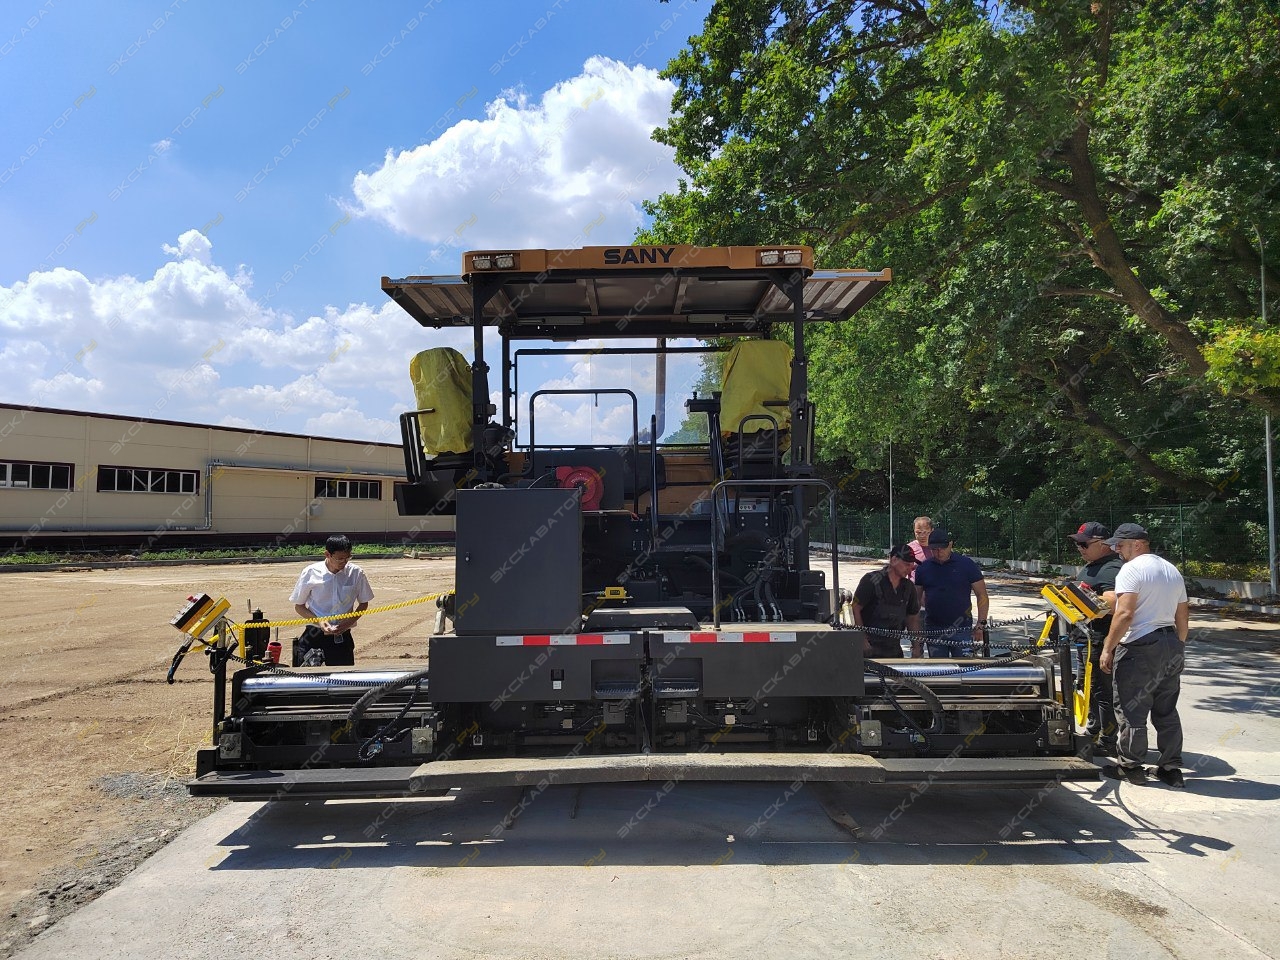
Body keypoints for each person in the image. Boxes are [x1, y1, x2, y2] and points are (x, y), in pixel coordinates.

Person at [1098, 522, 1189, 787]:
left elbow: (1125, 613)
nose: (1117, 550)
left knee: (1131, 709)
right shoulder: (1171, 570)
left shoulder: (1131, 569)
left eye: (1121, 545)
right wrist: (1178, 646)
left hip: (1139, 646)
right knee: (1166, 710)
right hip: (1170, 642)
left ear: (1137, 544)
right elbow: (1182, 615)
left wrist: (1108, 648)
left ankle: (1131, 766)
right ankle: (1171, 768)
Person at [1068, 521, 1123, 753]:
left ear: (1103, 544)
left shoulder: (1111, 568)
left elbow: (1113, 603)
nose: (1080, 548)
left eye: (1084, 544)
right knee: (1087, 686)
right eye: (1077, 544)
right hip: (1085, 638)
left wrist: (1080, 599)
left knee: (1102, 690)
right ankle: (1093, 730)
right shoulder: (1093, 565)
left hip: (1099, 639)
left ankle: (1107, 740)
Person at [289, 534, 374, 666]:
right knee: (308, 676)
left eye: (348, 558)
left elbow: (363, 604)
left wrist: (347, 623)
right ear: (327, 554)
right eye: (340, 559)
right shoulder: (310, 572)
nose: (344, 562)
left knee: (342, 677)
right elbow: (299, 606)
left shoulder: (356, 573)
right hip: (314, 635)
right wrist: (320, 621)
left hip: (342, 637)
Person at [915, 528, 989, 658]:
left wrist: (981, 623)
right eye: (934, 549)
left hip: (962, 628)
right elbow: (916, 599)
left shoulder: (966, 565)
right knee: (939, 668)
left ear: (950, 544)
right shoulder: (923, 568)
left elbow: (982, 595)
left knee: (964, 667)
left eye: (942, 548)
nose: (939, 552)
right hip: (934, 629)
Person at [851, 545, 922, 658]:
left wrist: (916, 647)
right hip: (869, 651)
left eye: (912, 566)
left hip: (894, 651)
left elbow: (912, 618)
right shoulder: (871, 581)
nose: (910, 569)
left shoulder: (909, 587)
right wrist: (862, 639)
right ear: (893, 560)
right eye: (906, 564)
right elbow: (855, 608)